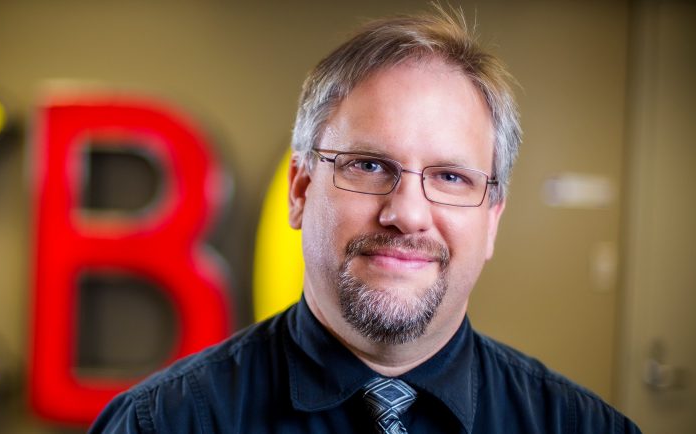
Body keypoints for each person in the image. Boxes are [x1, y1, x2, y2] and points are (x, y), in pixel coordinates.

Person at [90, 7, 641, 434]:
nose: (406, 213)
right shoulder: (162, 423)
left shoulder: (582, 427)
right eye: (370, 165)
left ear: (493, 218)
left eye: (451, 177)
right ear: (301, 190)